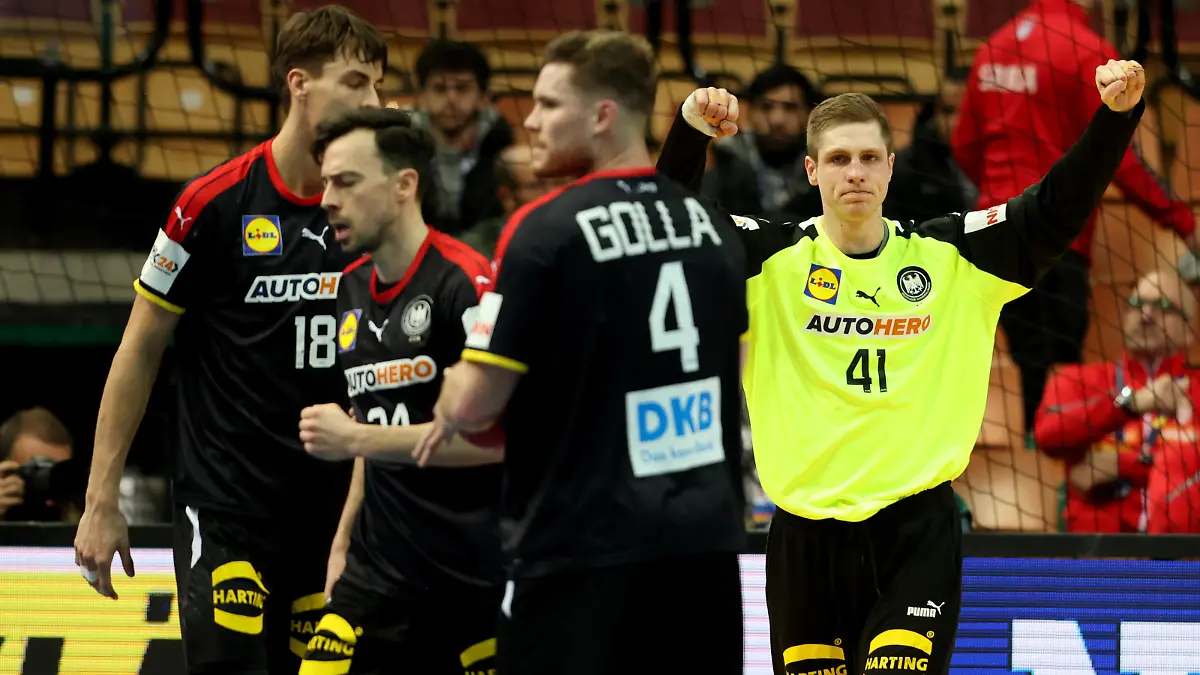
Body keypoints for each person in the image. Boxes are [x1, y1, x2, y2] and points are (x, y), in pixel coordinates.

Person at [656, 59, 1150, 675]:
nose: (854, 172)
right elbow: (672, 223)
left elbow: (1054, 209)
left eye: (868, 157)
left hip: (914, 533)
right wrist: (689, 130)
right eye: (838, 159)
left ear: (892, 167)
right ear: (810, 171)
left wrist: (1116, 117)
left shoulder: (953, 255)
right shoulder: (768, 259)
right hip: (802, 540)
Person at [416, 30, 747, 675]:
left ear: (601, 115)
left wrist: (452, 382)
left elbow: (477, 406)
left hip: (582, 551)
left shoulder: (543, 229)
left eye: (547, 104)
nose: (531, 121)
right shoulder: (711, 228)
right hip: (703, 549)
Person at [72, 6, 388, 674]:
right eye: (356, 82)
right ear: (299, 83)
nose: (375, 101)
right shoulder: (211, 203)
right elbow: (139, 345)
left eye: (378, 86)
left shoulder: (374, 209)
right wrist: (101, 500)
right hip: (227, 503)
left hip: (331, 510)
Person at [291, 106, 504, 675]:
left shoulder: (467, 284)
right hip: (375, 576)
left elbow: (498, 442)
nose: (327, 199)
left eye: (347, 182)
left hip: (472, 581)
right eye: (326, 182)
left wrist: (355, 436)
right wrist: (341, 545)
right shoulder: (350, 289)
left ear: (404, 184)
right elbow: (370, 428)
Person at [953, 0, 1200, 441]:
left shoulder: (991, 48)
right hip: (1055, 239)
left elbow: (965, 147)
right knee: (1058, 374)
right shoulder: (1088, 51)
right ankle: (1054, 480)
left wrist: (1001, 195)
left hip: (991, 236)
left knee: (1023, 362)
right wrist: (1183, 222)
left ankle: (1038, 454)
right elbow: (1116, 156)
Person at [1034, 269, 1200, 533]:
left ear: (1189, 329)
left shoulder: (1197, 389)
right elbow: (1048, 435)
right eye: (1136, 304)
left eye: (1163, 306)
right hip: (1098, 560)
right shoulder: (1077, 380)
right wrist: (1130, 405)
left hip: (1183, 560)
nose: (1146, 315)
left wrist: (1122, 465)